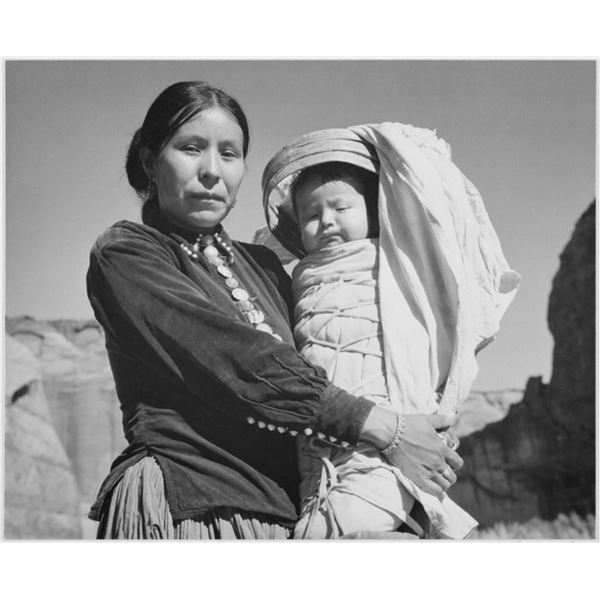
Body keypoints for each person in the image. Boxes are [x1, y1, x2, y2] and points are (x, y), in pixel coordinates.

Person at [87, 82, 463, 540]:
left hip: (293, 513)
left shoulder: (267, 267)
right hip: (192, 506)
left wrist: (421, 426)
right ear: (150, 161)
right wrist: (388, 429)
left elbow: (333, 359)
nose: (211, 171)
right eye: (190, 148)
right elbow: (239, 360)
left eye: (229, 153)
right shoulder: (129, 254)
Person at [261, 125, 520, 538]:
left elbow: (428, 184)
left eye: (340, 207)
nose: (325, 220)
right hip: (325, 439)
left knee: (333, 531)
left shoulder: (396, 264)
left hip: (384, 439)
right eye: (311, 214)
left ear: (374, 208)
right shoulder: (295, 279)